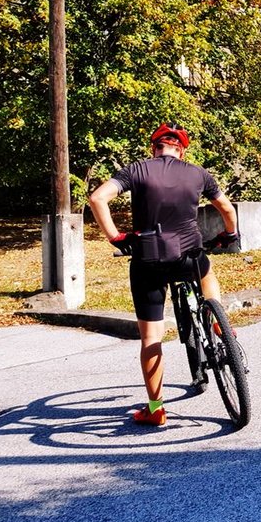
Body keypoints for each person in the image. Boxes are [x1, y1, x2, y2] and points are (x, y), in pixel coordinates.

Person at [88, 122, 239, 427]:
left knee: (151, 338)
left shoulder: (137, 170)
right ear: (182, 150)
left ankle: (156, 408)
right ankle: (219, 322)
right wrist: (230, 234)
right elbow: (226, 208)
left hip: (148, 261)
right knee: (206, 272)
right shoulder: (198, 173)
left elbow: (97, 198)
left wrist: (116, 237)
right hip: (188, 258)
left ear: (153, 147)